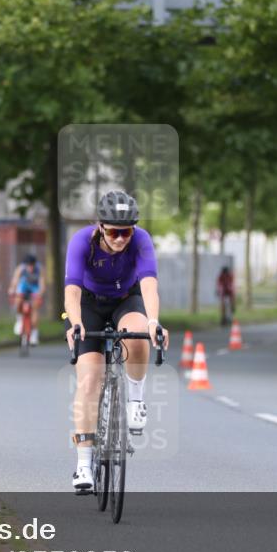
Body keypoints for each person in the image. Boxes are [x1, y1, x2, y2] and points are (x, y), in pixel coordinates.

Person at [63, 190, 169, 493]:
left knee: (137, 337)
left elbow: (149, 286)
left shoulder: (141, 240)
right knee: (88, 381)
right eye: (113, 232)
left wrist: (153, 321)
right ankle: (84, 465)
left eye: (126, 231)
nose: (121, 238)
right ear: (99, 227)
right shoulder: (81, 241)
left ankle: (136, 398)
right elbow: (71, 292)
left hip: (127, 299)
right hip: (89, 305)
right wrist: (76, 323)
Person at [8, 254, 45, 346]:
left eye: (32, 265)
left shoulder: (40, 269)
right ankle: (19, 320)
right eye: (28, 266)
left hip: (34, 287)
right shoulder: (20, 269)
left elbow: (42, 284)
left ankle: (34, 334)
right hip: (24, 285)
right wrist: (12, 289)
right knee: (18, 299)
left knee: (35, 307)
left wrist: (39, 294)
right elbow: (15, 281)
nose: (30, 268)